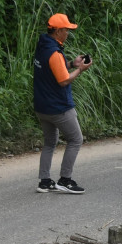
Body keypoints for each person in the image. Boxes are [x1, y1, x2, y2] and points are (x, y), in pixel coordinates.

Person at [33, 13, 92, 194]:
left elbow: (55, 68)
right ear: (58, 31)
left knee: (50, 142)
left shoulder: (43, 46)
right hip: (58, 107)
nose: (67, 33)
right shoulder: (54, 52)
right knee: (76, 139)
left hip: (42, 106)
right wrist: (81, 69)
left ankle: (44, 181)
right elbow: (63, 81)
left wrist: (71, 63)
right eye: (66, 30)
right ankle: (65, 180)